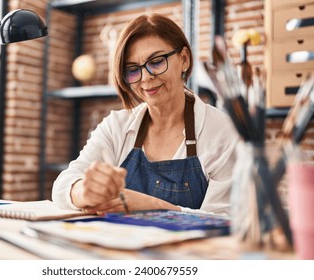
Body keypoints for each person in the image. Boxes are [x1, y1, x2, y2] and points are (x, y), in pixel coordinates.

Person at [52, 13, 239, 216]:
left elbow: (225, 220)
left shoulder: (222, 131)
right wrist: (83, 191)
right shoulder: (116, 126)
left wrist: (154, 206)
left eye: (157, 61)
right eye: (133, 70)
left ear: (184, 59)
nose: (146, 77)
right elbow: (64, 183)